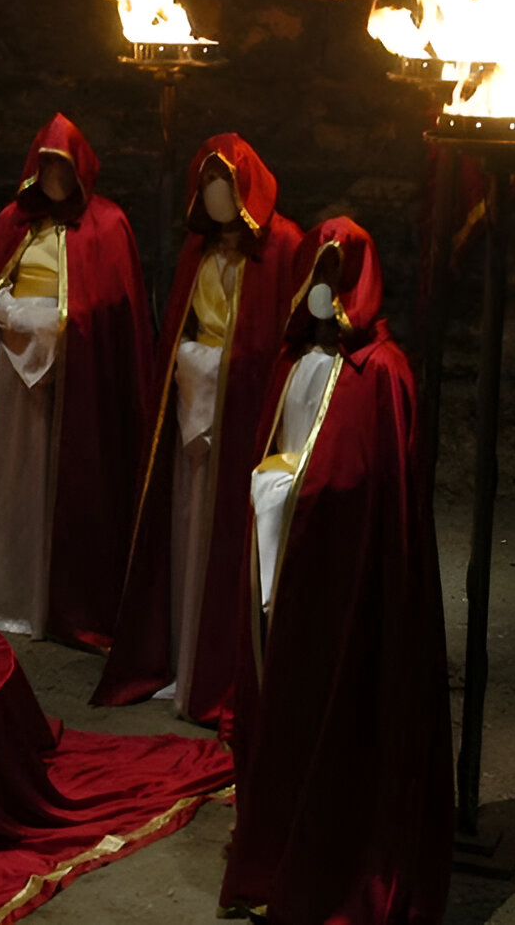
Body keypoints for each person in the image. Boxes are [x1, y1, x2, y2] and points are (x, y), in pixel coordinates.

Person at [219, 217, 452, 923]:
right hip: (279, 548)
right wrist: (278, 493)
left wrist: (301, 493)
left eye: (334, 276)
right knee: (281, 696)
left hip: (344, 576)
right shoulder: (294, 362)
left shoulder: (382, 372)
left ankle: (330, 856)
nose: (323, 290)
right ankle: (275, 847)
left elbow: (379, 493)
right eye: (315, 275)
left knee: (332, 703)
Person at [94, 133, 302, 721]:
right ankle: (185, 655)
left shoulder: (282, 246)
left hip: (241, 411)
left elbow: (274, 341)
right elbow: (179, 332)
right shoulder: (199, 249)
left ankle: (223, 664)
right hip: (193, 405)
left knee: (229, 533)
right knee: (189, 528)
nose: (215, 195)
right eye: (206, 184)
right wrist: (194, 365)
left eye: (225, 184)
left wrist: (229, 370)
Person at [0, 113, 151, 644]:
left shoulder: (108, 225)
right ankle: (9, 592)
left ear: (81, 169)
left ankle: (62, 597)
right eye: (46, 164)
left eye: (63, 166)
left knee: (66, 477)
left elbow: (113, 307)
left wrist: (63, 322)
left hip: (76, 374)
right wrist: (13, 313)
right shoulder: (12, 223)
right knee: (12, 477)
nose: (54, 176)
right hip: (12, 370)